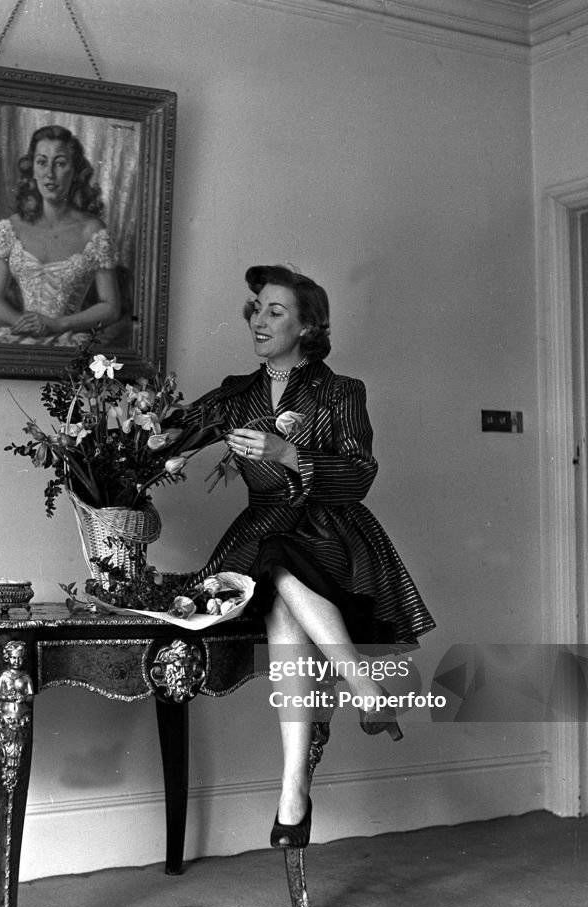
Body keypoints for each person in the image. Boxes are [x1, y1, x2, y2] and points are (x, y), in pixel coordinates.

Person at [186, 264, 435, 850]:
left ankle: (297, 785)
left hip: (332, 540)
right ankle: (312, 757)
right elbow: (167, 434)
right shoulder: (235, 393)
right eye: (257, 308)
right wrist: (163, 450)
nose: (259, 320)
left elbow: (360, 475)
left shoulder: (341, 390)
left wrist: (289, 453)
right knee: (275, 586)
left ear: (307, 326)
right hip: (263, 534)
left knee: (275, 563)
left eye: (276, 311)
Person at [0, 125, 121, 347]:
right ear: (32, 169)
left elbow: (110, 307)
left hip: (66, 335)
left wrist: (58, 324)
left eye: (60, 163)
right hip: (19, 333)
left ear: (75, 172)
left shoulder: (92, 230)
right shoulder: (12, 227)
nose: (49, 174)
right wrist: (23, 324)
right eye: (42, 162)